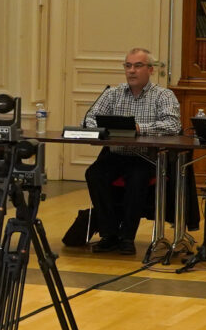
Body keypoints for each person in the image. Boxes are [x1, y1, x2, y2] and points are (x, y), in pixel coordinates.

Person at [76, 47, 184, 255]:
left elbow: (172, 125)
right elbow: (88, 119)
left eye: (138, 66)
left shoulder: (163, 95)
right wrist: (104, 129)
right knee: (94, 174)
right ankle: (109, 234)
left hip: (146, 158)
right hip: (116, 155)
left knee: (137, 178)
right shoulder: (113, 94)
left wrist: (138, 129)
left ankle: (127, 238)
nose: (132, 71)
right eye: (128, 66)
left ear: (150, 69)